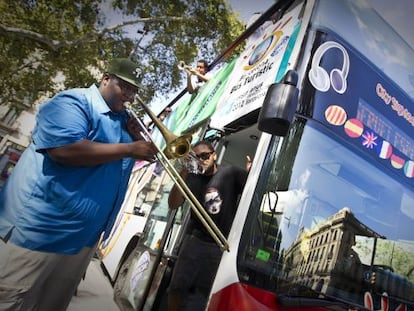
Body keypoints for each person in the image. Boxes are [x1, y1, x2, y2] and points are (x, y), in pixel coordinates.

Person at [0, 58, 157, 311]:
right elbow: (63, 150)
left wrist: (136, 138)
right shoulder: (74, 102)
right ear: (105, 79)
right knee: (12, 301)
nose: (129, 95)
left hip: (82, 241)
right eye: (124, 86)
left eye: (134, 90)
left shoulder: (124, 123)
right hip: (41, 232)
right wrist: (129, 148)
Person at [167, 140, 252, 311]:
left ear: (214, 155)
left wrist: (252, 173)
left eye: (205, 156)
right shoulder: (191, 177)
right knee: (177, 288)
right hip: (194, 241)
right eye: (196, 157)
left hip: (218, 245)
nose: (201, 160)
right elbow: (173, 204)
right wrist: (184, 170)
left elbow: (252, 194)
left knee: (206, 294)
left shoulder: (230, 173)